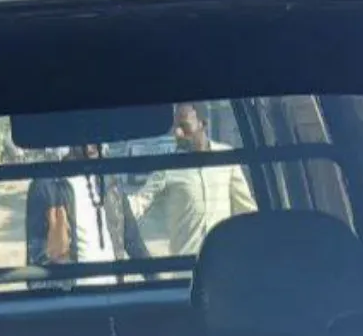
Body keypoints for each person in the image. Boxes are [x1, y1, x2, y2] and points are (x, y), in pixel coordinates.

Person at [130, 102, 256, 256]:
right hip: (185, 268)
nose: (177, 133)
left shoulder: (226, 159)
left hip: (223, 266)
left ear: (203, 123)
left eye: (184, 126)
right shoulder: (168, 167)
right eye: (175, 127)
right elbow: (139, 202)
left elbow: (246, 212)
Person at [25, 144, 148, 288]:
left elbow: (133, 240)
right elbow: (36, 264)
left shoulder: (109, 180)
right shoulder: (47, 186)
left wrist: (159, 283)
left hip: (113, 296)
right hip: (75, 301)